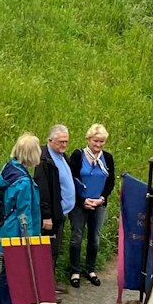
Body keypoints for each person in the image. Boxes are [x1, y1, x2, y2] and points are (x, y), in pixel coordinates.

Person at [0, 134, 45, 304]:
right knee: (9, 272)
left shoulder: (9, 168)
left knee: (9, 270)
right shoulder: (22, 182)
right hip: (16, 233)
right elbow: (24, 215)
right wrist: (29, 239)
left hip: (4, 228)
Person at [67, 124, 115, 289]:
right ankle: (74, 270)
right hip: (80, 204)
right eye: (96, 141)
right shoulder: (78, 156)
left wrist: (102, 199)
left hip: (99, 204)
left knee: (95, 238)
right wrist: (82, 200)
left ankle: (91, 268)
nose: (99, 145)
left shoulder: (107, 158)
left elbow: (110, 182)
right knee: (76, 238)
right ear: (89, 139)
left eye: (102, 142)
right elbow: (71, 180)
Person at [36, 125, 74, 288]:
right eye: (60, 142)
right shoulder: (43, 161)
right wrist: (47, 216)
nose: (64, 145)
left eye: (66, 142)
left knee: (56, 250)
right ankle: (46, 288)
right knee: (49, 252)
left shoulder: (62, 156)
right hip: (51, 215)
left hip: (61, 212)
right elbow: (43, 190)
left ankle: (50, 282)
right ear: (50, 141)